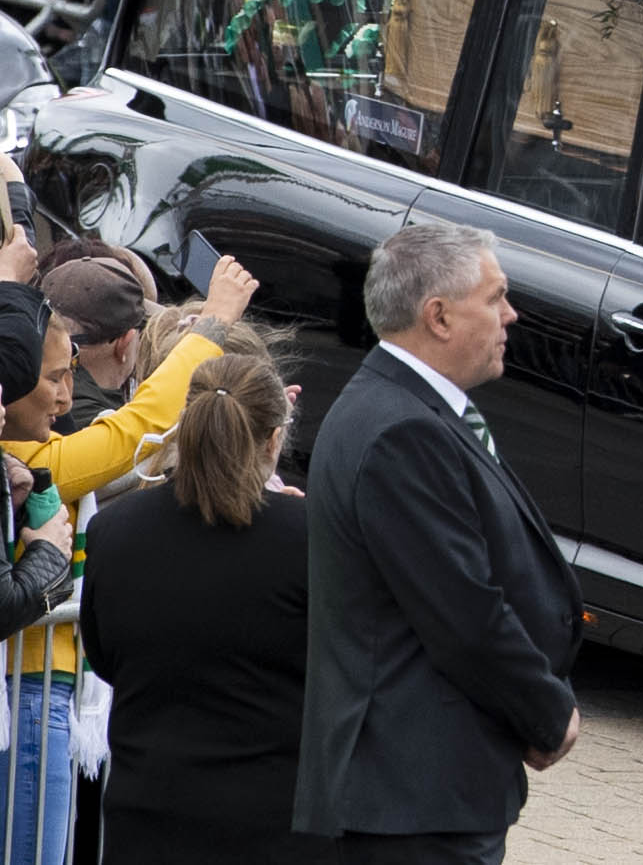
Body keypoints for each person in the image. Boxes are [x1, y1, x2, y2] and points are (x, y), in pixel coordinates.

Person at [297, 220, 585, 859]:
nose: (510, 315)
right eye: (495, 297)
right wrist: (545, 713)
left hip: (420, 794)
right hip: (410, 799)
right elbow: (464, 613)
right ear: (440, 317)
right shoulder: (402, 431)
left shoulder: (409, 411)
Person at [83, 350, 330, 865]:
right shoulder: (311, 539)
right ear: (274, 439)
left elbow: (104, 656)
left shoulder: (115, 530)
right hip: (273, 824)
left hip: (144, 816)